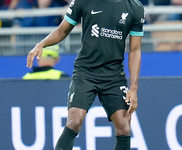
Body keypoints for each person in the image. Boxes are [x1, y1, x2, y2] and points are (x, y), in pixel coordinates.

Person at [26, 0, 145, 149]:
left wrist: (133, 88)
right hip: (86, 72)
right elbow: (63, 30)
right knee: (74, 121)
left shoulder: (135, 7)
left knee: (124, 127)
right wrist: (41, 44)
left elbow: (135, 50)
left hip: (113, 75)